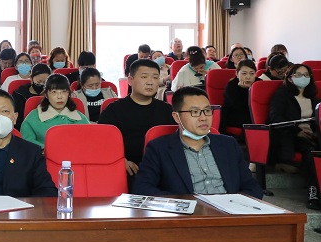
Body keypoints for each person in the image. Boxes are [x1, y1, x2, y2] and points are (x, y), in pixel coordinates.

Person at [133, 87, 262, 199]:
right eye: (195, 112)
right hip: (188, 215)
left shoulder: (228, 144)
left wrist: (237, 206)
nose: (203, 117)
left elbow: (252, 186)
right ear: (177, 117)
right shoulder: (159, 148)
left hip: (230, 213)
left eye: (207, 110)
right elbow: (142, 188)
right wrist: (183, 204)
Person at [99, 59, 174, 190]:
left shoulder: (167, 110)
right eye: (144, 77)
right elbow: (102, 142)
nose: (150, 82)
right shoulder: (114, 110)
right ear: (130, 80)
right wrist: (120, 161)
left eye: (155, 77)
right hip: (130, 170)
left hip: (163, 170)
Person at [269, 64, 320, 209]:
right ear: (290, 78)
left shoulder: (314, 99)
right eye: (298, 75)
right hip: (291, 135)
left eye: (306, 75)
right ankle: (313, 193)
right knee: (312, 154)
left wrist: (315, 132)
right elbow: (275, 118)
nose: (303, 78)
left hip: (312, 136)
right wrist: (297, 130)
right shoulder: (282, 95)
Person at [21, 74, 90, 149]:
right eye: (54, 92)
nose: (59, 97)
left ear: (69, 94)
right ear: (46, 95)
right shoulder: (33, 118)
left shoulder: (80, 118)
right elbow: (26, 142)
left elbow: (90, 141)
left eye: (64, 92)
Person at [220, 59, 258, 135]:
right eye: (244, 73)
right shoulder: (231, 86)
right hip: (235, 116)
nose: (248, 77)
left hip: (254, 116)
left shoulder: (258, 84)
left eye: (252, 73)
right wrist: (246, 90)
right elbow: (240, 106)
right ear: (237, 74)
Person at [13, 63, 51, 129]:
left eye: (45, 82)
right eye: (39, 82)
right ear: (31, 79)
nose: (42, 84)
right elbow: (16, 119)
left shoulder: (52, 94)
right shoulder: (19, 94)